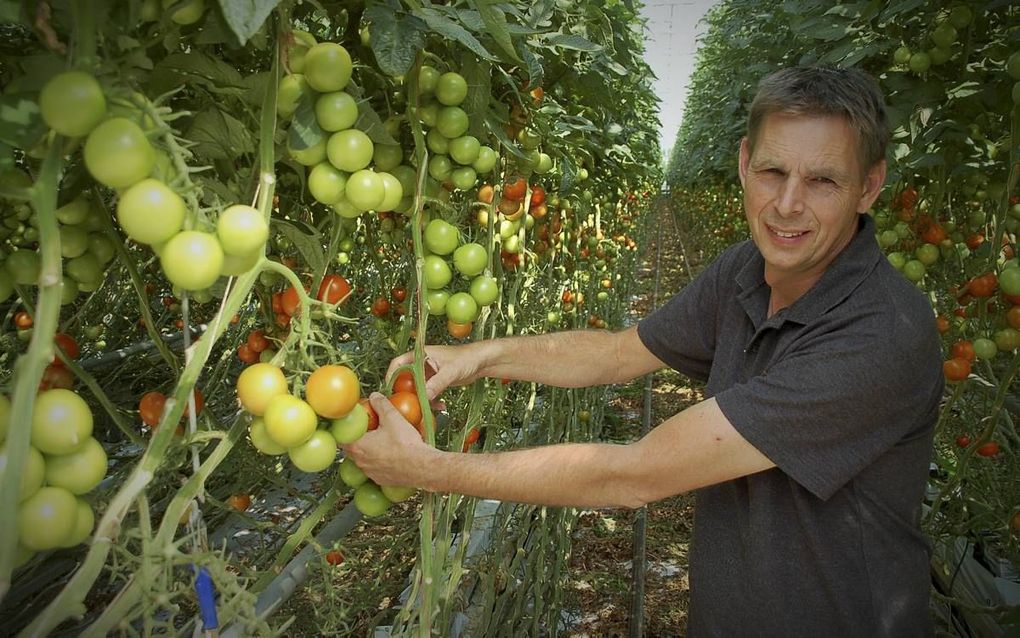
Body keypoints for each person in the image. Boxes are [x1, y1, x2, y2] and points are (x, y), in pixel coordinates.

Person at [344, 67, 943, 637]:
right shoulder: (745, 270)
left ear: (868, 187)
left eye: (823, 180)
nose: (787, 204)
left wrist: (429, 469)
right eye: (772, 171)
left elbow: (635, 474)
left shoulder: (881, 335)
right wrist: (479, 356)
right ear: (742, 163)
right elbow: (615, 353)